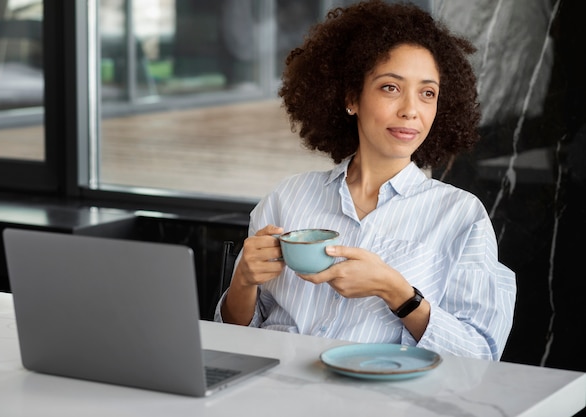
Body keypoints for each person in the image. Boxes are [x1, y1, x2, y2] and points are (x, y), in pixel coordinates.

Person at [214, 0, 516, 361]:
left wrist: (398, 293)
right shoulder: (287, 198)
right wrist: (243, 281)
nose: (410, 109)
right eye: (391, 87)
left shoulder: (461, 216)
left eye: (427, 93)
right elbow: (229, 341)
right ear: (351, 98)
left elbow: (482, 356)